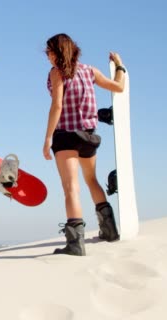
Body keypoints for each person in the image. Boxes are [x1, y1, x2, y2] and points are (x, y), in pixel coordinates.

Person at [43, 33, 125, 256]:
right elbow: (118, 87)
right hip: (88, 136)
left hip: (66, 136)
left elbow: (57, 106)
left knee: (71, 188)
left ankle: (75, 243)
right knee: (91, 181)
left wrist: (48, 137)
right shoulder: (90, 71)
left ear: (58, 52)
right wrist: (119, 65)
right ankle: (110, 231)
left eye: (49, 52)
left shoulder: (57, 72)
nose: (47, 56)